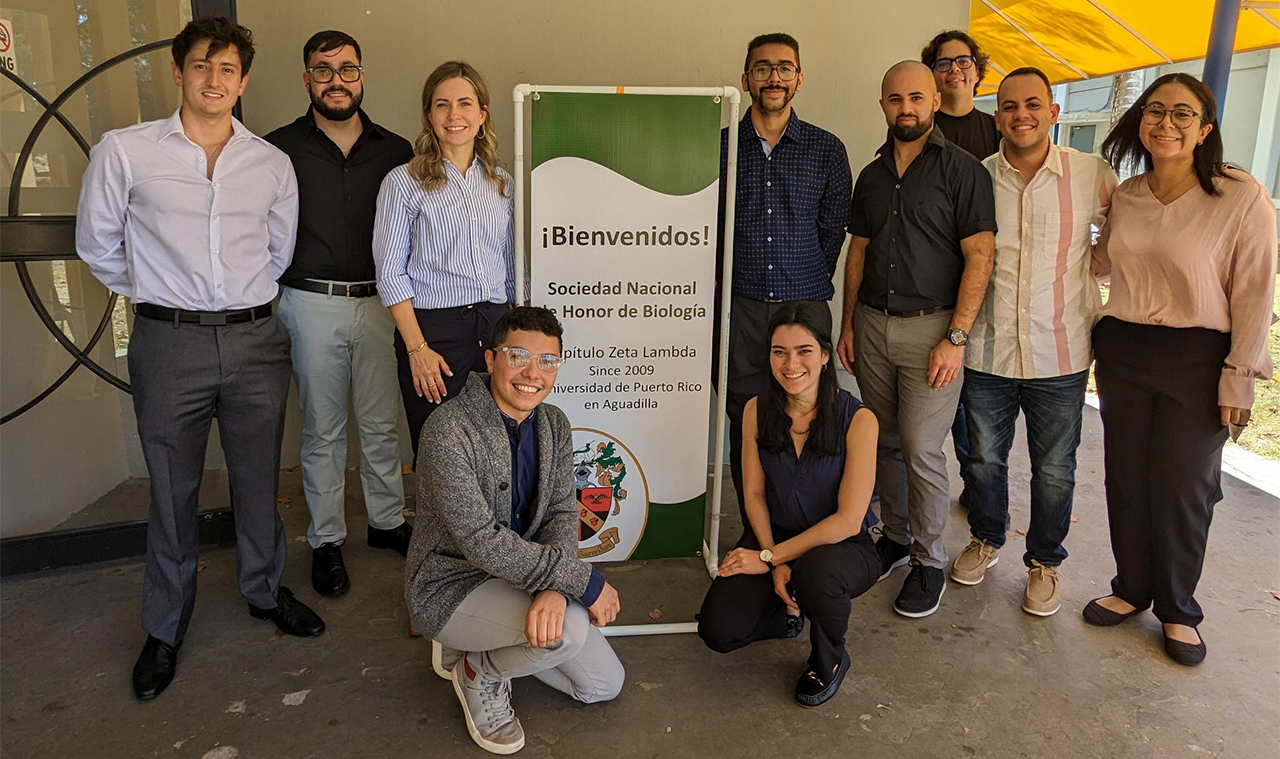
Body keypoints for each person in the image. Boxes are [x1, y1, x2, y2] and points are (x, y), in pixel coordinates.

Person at [75, 17, 324, 702]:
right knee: (172, 488)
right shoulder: (124, 153)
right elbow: (97, 245)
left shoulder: (270, 164)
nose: (214, 80)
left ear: (243, 82)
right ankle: (164, 625)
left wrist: (232, 305)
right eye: (200, 66)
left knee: (255, 477)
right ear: (178, 71)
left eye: (227, 70)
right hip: (168, 343)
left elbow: (277, 251)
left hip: (253, 340)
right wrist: (162, 296)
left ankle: (264, 589)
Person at [1086, 73, 1276, 666]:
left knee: (1185, 486)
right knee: (1128, 478)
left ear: (1206, 128)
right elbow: (1099, 262)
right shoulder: (1128, 194)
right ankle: (1130, 589)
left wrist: (1239, 375)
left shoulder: (1239, 194)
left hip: (1198, 357)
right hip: (1124, 350)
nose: (1165, 123)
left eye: (1182, 114)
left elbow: (1254, 290)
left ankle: (1177, 608)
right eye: (1154, 110)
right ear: (1140, 121)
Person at [405, 306, 625, 754]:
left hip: (524, 576)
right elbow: (480, 540)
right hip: (452, 584)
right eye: (519, 355)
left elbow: (563, 513)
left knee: (604, 685)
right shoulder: (448, 430)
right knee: (570, 631)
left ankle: (479, 647)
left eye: (548, 361)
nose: (533, 373)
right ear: (491, 359)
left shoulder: (554, 423)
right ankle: (477, 671)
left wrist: (555, 590)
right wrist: (581, 581)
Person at [951, 67, 1119, 617]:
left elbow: (1127, 234)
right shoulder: (977, 175)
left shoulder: (1091, 172)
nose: (1020, 114)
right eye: (1008, 106)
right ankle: (986, 539)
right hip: (988, 350)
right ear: (996, 116)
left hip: (1061, 350)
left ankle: (1045, 562)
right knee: (982, 460)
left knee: (1054, 469)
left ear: (1052, 111)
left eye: (1032, 104)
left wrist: (1097, 269)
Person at [837, 61, 995, 619]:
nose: (906, 108)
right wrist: (848, 323)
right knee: (883, 442)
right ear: (882, 105)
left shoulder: (963, 170)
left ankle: (930, 560)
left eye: (916, 98)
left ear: (934, 100)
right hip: (873, 327)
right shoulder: (872, 174)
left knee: (924, 449)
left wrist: (956, 337)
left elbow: (980, 256)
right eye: (894, 99)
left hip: (934, 329)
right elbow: (858, 251)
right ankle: (896, 538)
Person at [265, 30, 415, 598]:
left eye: (347, 69)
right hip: (309, 303)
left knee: (381, 424)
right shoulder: (277, 149)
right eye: (323, 70)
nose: (336, 80)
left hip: (384, 301)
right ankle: (326, 540)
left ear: (362, 75)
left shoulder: (397, 150)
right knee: (323, 431)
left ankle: (386, 522)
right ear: (306, 79)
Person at [698, 301, 879, 708]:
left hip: (842, 548)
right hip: (773, 535)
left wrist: (770, 557)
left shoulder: (858, 418)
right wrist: (774, 559)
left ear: (825, 356)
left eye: (804, 351)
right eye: (779, 351)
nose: (790, 363)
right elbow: (755, 495)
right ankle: (786, 615)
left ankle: (829, 658)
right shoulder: (755, 410)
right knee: (718, 630)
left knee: (817, 573)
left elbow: (849, 520)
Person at [718, 32, 852, 523]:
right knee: (745, 416)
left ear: (799, 78)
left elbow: (832, 229)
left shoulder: (826, 149)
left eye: (783, 68)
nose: (773, 77)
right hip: (743, 308)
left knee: (809, 415)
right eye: (762, 68)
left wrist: (808, 279)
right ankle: (757, 529)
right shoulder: (722, 148)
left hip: (805, 305)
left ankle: (808, 525)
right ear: (746, 78)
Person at [372, 61, 513, 468]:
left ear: (482, 114)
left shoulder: (502, 183)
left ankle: (492, 533)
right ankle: (441, 534)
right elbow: (390, 273)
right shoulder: (403, 182)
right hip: (434, 331)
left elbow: (508, 266)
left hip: (495, 325)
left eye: (465, 104)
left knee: (497, 448)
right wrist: (418, 348)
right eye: (443, 105)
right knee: (440, 450)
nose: (455, 115)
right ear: (429, 116)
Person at [920, 29, 1001, 512]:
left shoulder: (998, 129)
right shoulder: (916, 128)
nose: (954, 69)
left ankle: (979, 498)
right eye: (944, 61)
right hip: (930, 286)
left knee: (975, 410)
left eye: (963, 61)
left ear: (977, 69)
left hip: (983, 286)